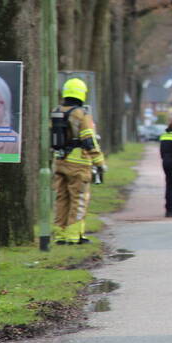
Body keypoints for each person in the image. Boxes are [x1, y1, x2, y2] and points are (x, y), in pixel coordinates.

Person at [51, 77, 106, 245]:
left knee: (61, 198)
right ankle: (74, 236)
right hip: (79, 164)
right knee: (79, 199)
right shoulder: (82, 114)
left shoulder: (56, 112)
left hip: (59, 161)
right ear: (82, 93)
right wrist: (100, 162)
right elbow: (89, 140)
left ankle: (60, 235)